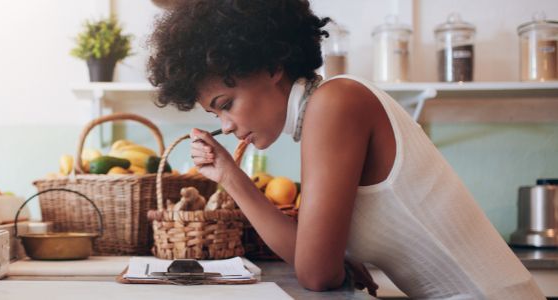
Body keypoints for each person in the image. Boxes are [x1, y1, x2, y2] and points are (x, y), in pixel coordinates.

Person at [146, 0, 544, 298]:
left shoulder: (335, 103)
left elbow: (316, 274)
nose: (227, 126)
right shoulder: (323, 108)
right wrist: (230, 177)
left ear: (271, 66)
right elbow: (309, 257)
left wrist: (327, 265)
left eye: (226, 105)